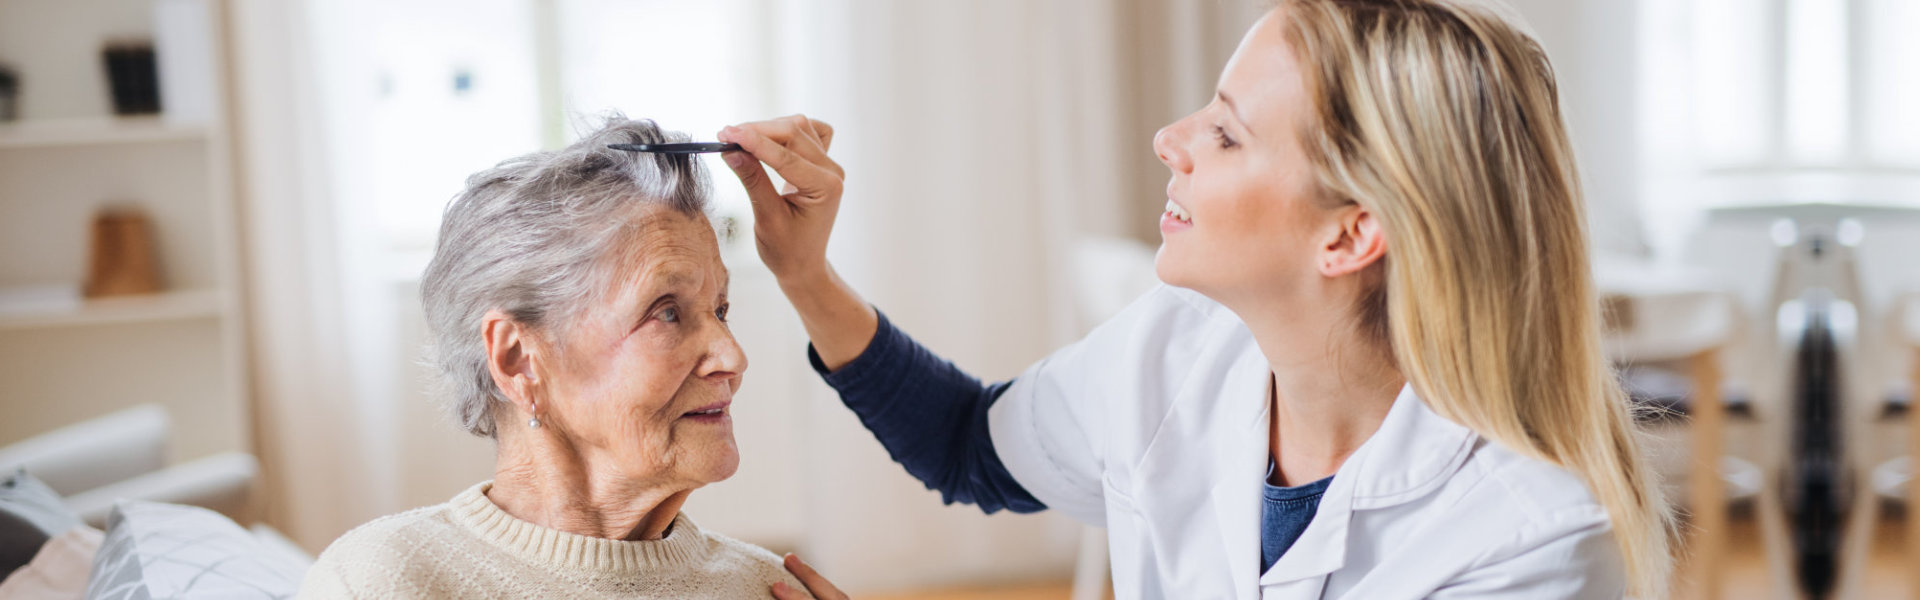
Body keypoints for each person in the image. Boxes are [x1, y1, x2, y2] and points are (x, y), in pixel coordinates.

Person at [723, 0, 1673, 598]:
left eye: (1226, 133)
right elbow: (973, 447)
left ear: (1348, 234)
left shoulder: (1533, 544)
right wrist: (805, 275)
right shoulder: (1180, 346)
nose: (1170, 138)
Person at [299, 117, 810, 599]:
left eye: (721, 310)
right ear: (518, 359)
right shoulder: (385, 581)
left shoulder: (766, 588)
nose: (732, 356)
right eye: (667, 313)